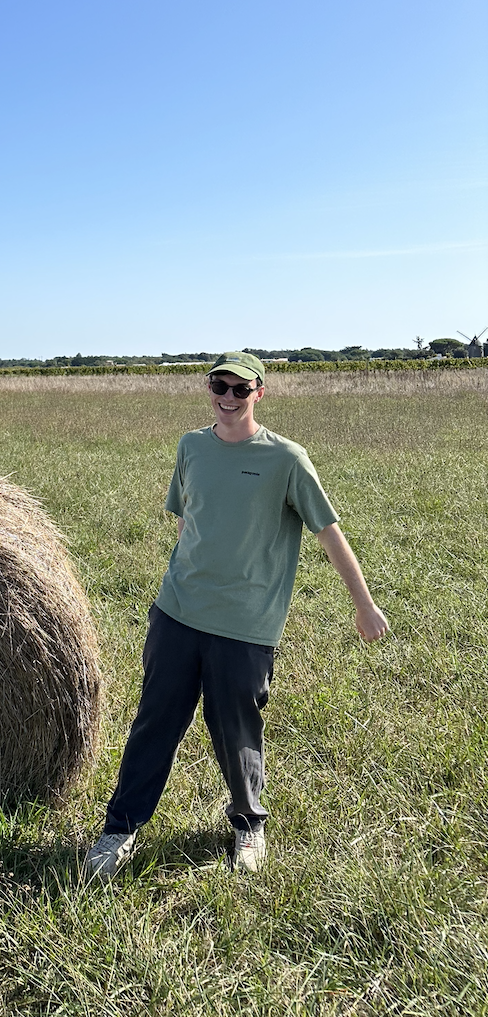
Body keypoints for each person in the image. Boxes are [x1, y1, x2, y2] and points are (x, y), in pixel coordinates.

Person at [84, 351, 389, 879]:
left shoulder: (287, 459)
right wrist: (178, 587)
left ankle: (249, 825)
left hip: (244, 625)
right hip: (177, 612)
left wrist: (364, 605)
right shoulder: (192, 447)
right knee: (155, 722)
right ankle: (120, 829)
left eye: (239, 389)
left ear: (259, 394)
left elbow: (328, 533)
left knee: (235, 729)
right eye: (218, 386)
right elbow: (188, 521)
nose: (227, 397)